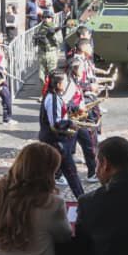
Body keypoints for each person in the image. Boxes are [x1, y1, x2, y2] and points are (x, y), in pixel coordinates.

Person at [39, 70, 84, 199]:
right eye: (64, 81)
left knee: (53, 173)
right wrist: (70, 123)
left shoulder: (55, 96)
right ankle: (82, 201)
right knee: (71, 172)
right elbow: (56, 123)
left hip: (55, 140)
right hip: (54, 141)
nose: (66, 84)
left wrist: (74, 109)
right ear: (58, 84)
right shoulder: (52, 98)